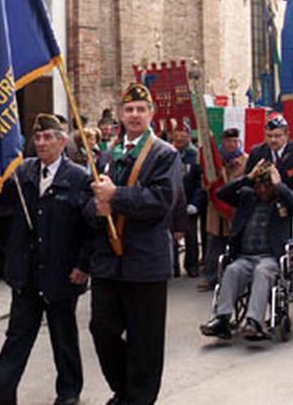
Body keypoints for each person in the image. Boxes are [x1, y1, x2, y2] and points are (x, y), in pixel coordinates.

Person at [0, 114, 91, 405]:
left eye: (48, 137)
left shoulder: (78, 178)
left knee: (63, 338)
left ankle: (68, 392)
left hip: (61, 272)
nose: (41, 143)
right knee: (17, 336)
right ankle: (1, 393)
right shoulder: (22, 173)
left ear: (62, 141)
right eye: (37, 138)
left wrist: (83, 265)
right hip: (26, 272)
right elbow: (1, 214)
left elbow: (90, 229)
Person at [87, 83, 184, 405]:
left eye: (141, 109)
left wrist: (117, 197)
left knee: (145, 340)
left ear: (151, 114)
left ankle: (138, 399)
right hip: (109, 262)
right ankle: (124, 389)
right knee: (102, 329)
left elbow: (161, 200)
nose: (134, 115)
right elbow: (91, 202)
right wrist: (98, 208)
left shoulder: (164, 154)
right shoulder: (105, 154)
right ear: (120, 115)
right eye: (128, 110)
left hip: (145, 262)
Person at [199, 161, 293, 341]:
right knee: (231, 271)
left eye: (266, 186)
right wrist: (248, 178)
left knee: (261, 273)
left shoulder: (283, 199)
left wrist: (278, 184)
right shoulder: (248, 196)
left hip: (270, 257)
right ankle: (222, 319)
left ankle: (254, 321)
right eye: (259, 186)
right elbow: (221, 193)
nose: (262, 190)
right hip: (245, 256)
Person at [245, 116, 293, 256]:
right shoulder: (257, 153)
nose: (273, 140)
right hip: (268, 211)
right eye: (269, 136)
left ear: (286, 135)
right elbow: (250, 182)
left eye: (277, 136)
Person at [197, 127, 248, 292]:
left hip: (235, 208)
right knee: (214, 244)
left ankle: (236, 278)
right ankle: (210, 277)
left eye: (235, 141)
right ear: (223, 142)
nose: (232, 144)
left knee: (237, 245)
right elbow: (206, 183)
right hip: (216, 210)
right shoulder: (214, 161)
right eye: (229, 141)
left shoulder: (245, 160)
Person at [171, 125, 205, 278]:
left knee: (191, 236)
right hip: (171, 203)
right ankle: (173, 267)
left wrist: (195, 203)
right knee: (170, 237)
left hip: (189, 201)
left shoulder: (195, 155)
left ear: (189, 137)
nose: (178, 139)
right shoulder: (168, 153)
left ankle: (191, 266)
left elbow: (200, 183)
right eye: (176, 136)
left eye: (182, 136)